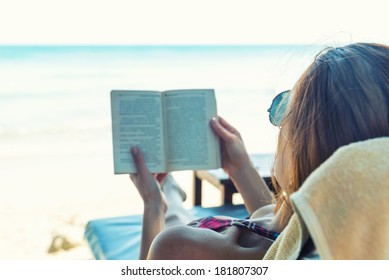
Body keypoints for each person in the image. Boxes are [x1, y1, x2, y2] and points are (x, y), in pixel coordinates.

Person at [129, 42, 389, 259]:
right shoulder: (330, 236)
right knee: (176, 209)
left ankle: (166, 195)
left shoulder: (181, 247)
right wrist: (241, 169)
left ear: (308, 144)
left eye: (286, 109)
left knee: (174, 216)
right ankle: (171, 193)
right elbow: (281, 232)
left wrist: (152, 206)